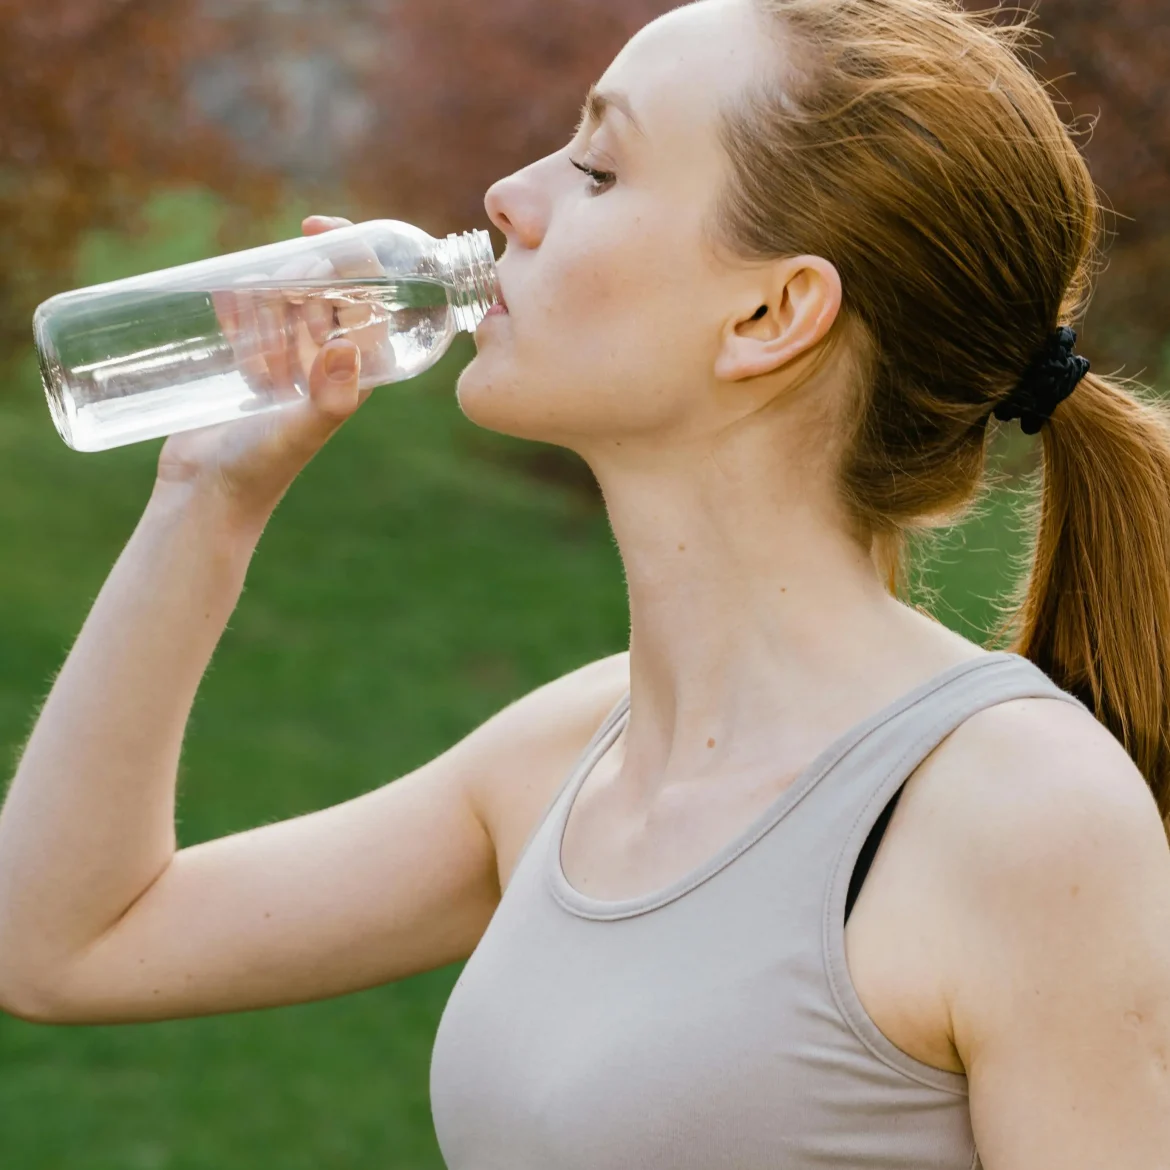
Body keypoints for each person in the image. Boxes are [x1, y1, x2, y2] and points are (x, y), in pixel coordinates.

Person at [2, 0, 1170, 1165]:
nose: (509, 197)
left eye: (601, 169)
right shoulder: (571, 755)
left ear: (770, 313)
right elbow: (60, 944)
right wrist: (207, 495)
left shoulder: (1018, 817)